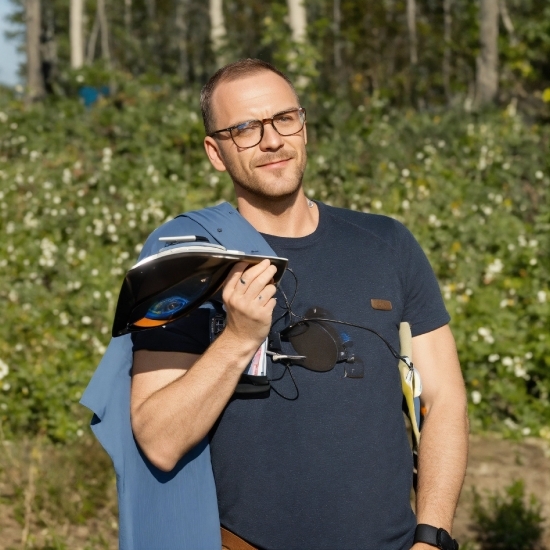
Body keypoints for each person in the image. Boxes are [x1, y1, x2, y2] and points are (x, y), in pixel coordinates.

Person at [130, 58, 469, 550]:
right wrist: (238, 339)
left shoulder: (386, 243)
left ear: (304, 126)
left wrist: (431, 536)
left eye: (283, 119)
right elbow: (159, 440)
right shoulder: (186, 254)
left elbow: (444, 399)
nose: (271, 140)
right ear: (215, 152)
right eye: (244, 128)